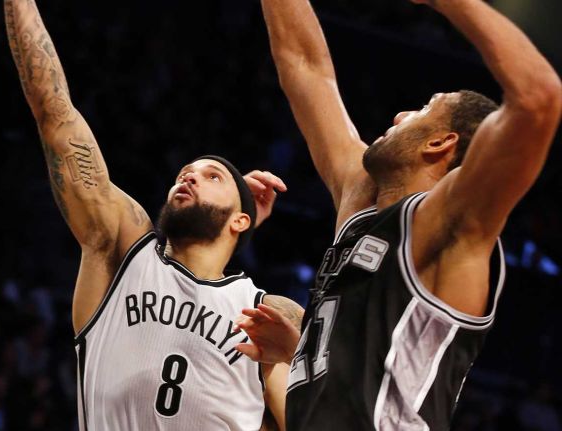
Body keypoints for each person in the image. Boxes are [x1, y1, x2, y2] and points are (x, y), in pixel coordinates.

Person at [236, 0, 562, 429]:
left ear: (440, 144)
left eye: (423, 109)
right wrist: (295, 353)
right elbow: (304, 66)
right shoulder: (360, 200)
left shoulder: (449, 224)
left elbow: (539, 98)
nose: (400, 114)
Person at [2, 1, 303, 429]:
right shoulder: (123, 252)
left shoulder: (267, 312)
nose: (190, 178)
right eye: (185, 173)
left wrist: (291, 355)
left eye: (211, 175)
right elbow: (55, 114)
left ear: (240, 220)